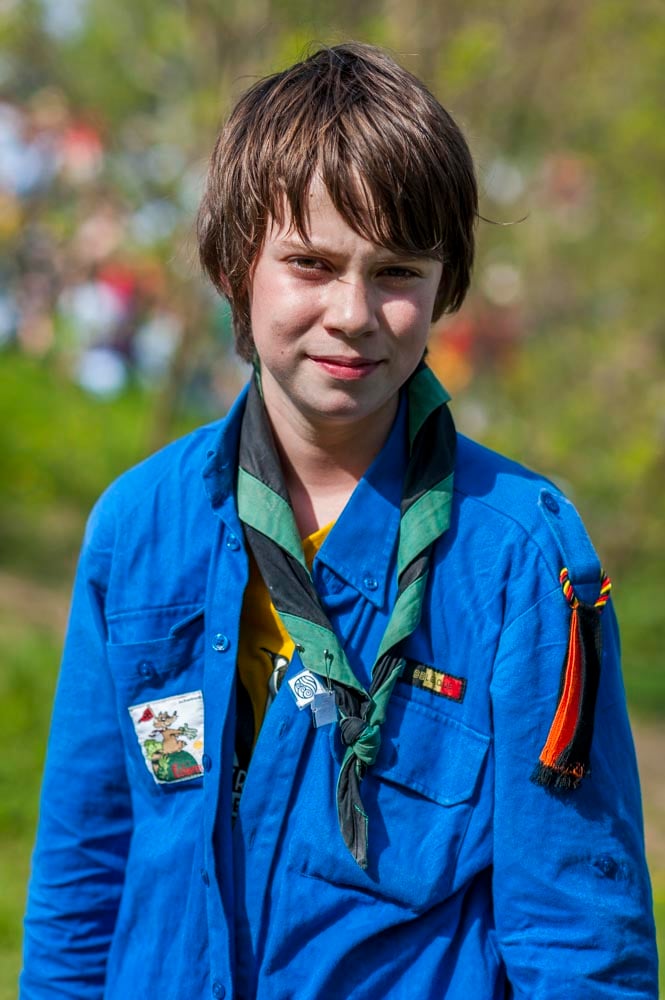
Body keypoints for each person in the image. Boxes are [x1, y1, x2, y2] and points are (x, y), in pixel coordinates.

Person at [21, 42, 658, 999]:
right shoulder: (138, 526)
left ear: (444, 284)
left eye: (395, 271)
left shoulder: (523, 563)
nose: (352, 313)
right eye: (310, 264)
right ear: (237, 268)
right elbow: (84, 873)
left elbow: (578, 942)